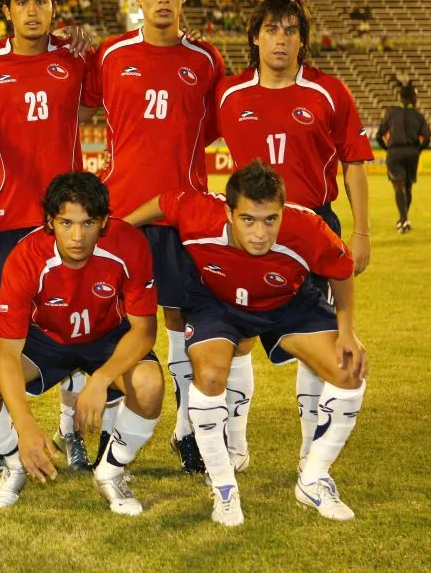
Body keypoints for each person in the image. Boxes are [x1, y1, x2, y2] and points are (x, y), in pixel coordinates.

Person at [124, 161, 368, 526]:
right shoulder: (199, 212)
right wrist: (120, 228)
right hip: (217, 304)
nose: (260, 232)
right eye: (248, 220)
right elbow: (163, 201)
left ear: (282, 212)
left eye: (270, 219)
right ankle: (224, 488)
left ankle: (314, 478)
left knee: (349, 373)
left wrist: (346, 330)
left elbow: (342, 269)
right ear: (228, 212)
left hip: (288, 303)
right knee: (208, 376)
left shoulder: (307, 227)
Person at [216, 0, 373, 470]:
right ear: (255, 38)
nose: (280, 39)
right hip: (249, 230)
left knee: (313, 337)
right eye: (270, 30)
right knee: (237, 335)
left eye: (289, 30)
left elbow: (354, 164)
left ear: (303, 40)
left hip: (311, 228)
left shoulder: (329, 91)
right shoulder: (228, 93)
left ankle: (310, 448)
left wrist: (362, 232)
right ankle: (236, 444)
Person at [88, 0, 226, 475]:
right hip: (121, 213)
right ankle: (106, 431)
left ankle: (187, 431)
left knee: (182, 321)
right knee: (113, 321)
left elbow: (212, 124)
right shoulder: (110, 54)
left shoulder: (207, 59)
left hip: (184, 215)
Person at [0, 172, 163, 515]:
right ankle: (15, 464)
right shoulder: (26, 257)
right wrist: (25, 427)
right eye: (66, 223)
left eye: (88, 223)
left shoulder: (129, 244)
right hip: (44, 337)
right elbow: (8, 353)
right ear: (50, 221)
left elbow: (143, 330)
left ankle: (111, 472)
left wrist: (101, 379)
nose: (78, 236)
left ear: (105, 222)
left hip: (107, 336)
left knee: (149, 386)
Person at [0, 0, 99, 474]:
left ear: (53, 9)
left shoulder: (75, 59)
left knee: (70, 321)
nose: (31, 10)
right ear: (7, 10)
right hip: (3, 215)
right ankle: (2, 438)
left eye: (41, 1)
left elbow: (94, 109)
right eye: (21, 1)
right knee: (0, 327)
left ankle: (71, 432)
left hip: (64, 218)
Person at [376, 80, 429, 232]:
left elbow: (379, 135)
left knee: (398, 187)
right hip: (412, 153)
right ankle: (403, 219)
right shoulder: (418, 115)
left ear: (400, 97)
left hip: (395, 152)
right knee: (408, 187)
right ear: (413, 97)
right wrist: (418, 150)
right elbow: (427, 137)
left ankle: (404, 220)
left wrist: (388, 149)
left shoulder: (391, 113)